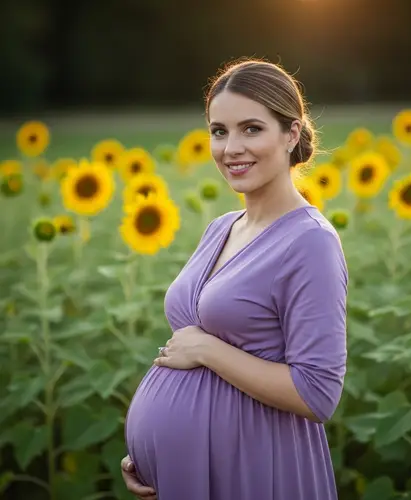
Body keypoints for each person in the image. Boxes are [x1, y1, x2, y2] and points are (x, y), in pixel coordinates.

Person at [121, 58, 348, 500]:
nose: (230, 148)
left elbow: (317, 393)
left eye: (251, 129)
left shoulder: (311, 242)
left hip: (256, 468)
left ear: (291, 134)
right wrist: (153, 455)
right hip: (185, 474)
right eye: (219, 131)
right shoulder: (222, 227)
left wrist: (207, 350)